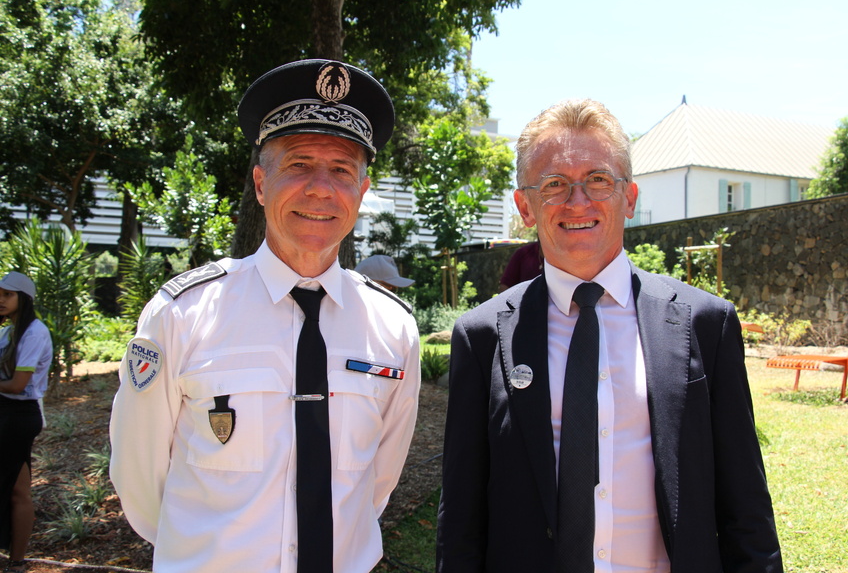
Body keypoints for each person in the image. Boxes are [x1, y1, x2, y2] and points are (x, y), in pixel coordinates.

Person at [436, 99, 783, 572]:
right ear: (525, 206)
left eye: (598, 179)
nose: (578, 201)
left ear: (630, 196)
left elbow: (747, 510)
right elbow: (461, 518)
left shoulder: (707, 324)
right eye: (554, 184)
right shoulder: (481, 336)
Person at [109, 59, 421, 573]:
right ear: (260, 183)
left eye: (342, 170)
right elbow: (140, 476)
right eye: (298, 165)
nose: (321, 188)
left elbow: (377, 481)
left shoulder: (392, 329)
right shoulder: (184, 314)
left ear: (361, 194)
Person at [0, 272, 53, 573]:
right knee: (19, 489)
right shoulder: (7, 334)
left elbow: (19, 384)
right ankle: (16, 561)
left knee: (13, 487)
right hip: (5, 412)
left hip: (18, 416)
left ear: (25, 298)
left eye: (8, 294)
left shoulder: (34, 332)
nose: (1, 300)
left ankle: (17, 560)